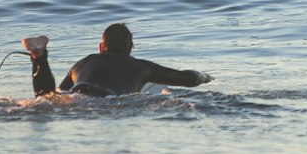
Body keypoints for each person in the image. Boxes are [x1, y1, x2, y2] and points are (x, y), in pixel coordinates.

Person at [22, 23, 212, 98]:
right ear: (130, 50)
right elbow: (186, 79)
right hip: (107, 96)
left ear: (100, 47)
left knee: (46, 97)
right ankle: (39, 56)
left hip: (79, 91)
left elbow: (58, 92)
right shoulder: (141, 67)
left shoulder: (85, 61)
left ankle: (39, 57)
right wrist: (203, 77)